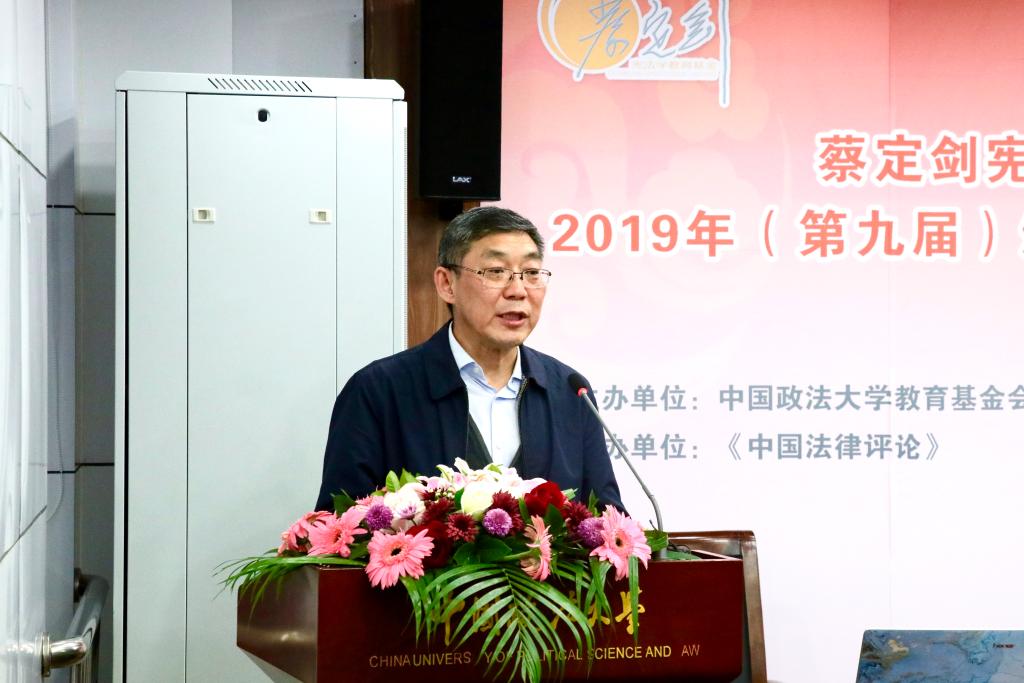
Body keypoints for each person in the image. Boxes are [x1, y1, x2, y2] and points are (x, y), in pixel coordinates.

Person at [315, 206, 623, 511]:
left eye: (531, 273)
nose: (518, 290)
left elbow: (607, 520)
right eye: (496, 272)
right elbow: (340, 524)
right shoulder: (379, 391)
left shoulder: (569, 391)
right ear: (447, 284)